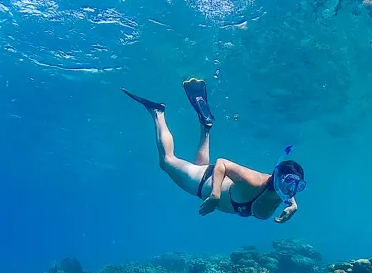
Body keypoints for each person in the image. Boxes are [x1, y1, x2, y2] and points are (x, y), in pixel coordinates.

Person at [122, 79, 305, 222]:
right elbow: (222, 163)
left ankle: (206, 126)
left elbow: (284, 190)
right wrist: (215, 196)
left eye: (297, 186)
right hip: (201, 183)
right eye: (289, 182)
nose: (291, 189)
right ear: (277, 176)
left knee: (199, 165)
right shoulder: (254, 182)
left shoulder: (285, 192)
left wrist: (293, 206)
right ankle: (158, 112)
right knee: (166, 160)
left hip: (209, 178)